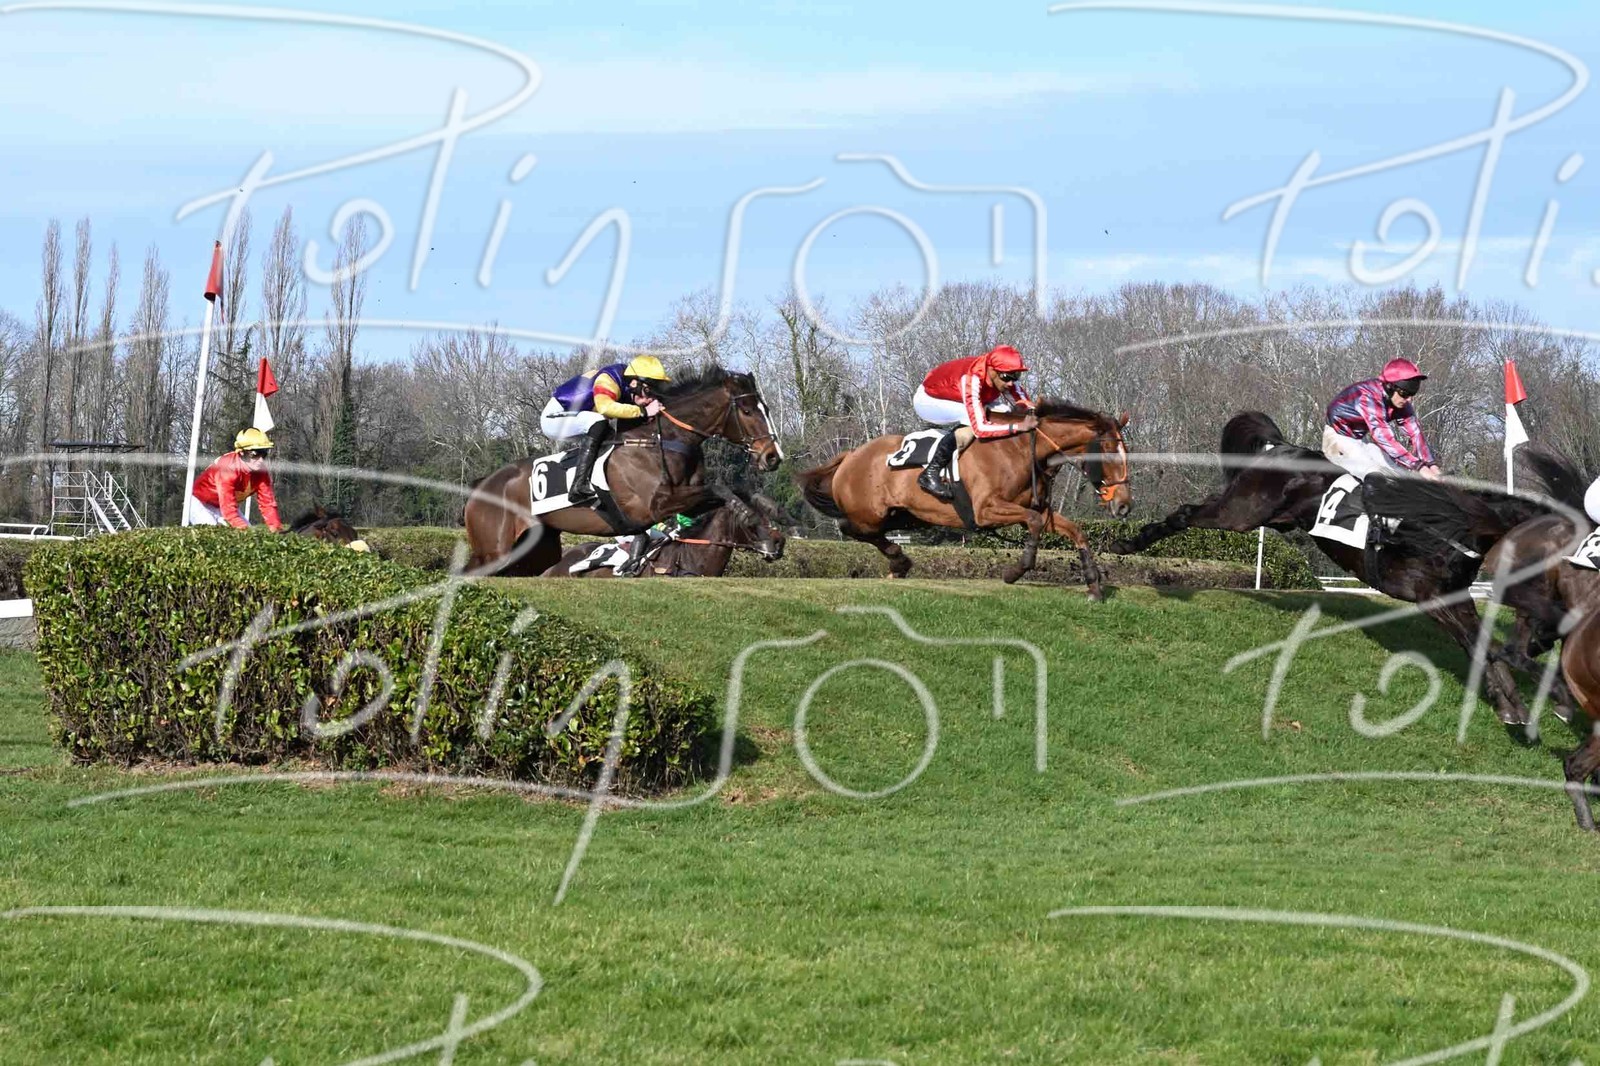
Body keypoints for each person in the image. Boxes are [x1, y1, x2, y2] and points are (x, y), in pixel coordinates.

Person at [912, 344, 1038, 500]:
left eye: (1016, 376)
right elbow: (980, 428)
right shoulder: (972, 378)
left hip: (958, 395)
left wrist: (1033, 413)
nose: (1011, 383)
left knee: (1004, 411)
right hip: (928, 400)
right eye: (1006, 377)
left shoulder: (1005, 374)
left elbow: (1025, 404)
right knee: (971, 421)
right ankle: (930, 473)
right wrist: (1018, 427)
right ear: (992, 370)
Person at [540, 356, 670, 504]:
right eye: (648, 392)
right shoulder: (608, 379)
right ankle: (578, 486)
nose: (650, 399)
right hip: (554, 419)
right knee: (598, 421)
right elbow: (605, 408)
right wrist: (643, 411)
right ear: (635, 383)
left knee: (611, 435)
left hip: (577, 418)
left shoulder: (628, 385)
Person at [1322, 358, 1442, 482]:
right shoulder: (1369, 396)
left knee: (1399, 474)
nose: (1408, 400)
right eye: (1405, 394)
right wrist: (1419, 466)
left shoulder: (1398, 399)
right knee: (1374, 475)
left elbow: (1415, 433)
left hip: (1359, 440)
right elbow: (1384, 437)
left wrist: (1432, 466)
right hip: (1337, 438)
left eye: (1412, 394)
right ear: (1390, 387)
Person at [188, 428, 285, 531]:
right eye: (255, 454)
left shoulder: (261, 472)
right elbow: (229, 510)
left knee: (250, 535)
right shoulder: (228, 467)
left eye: (264, 454)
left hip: (224, 505)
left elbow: (267, 504)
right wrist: (243, 529)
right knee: (215, 533)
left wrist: (277, 529)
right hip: (200, 503)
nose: (260, 460)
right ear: (241, 452)